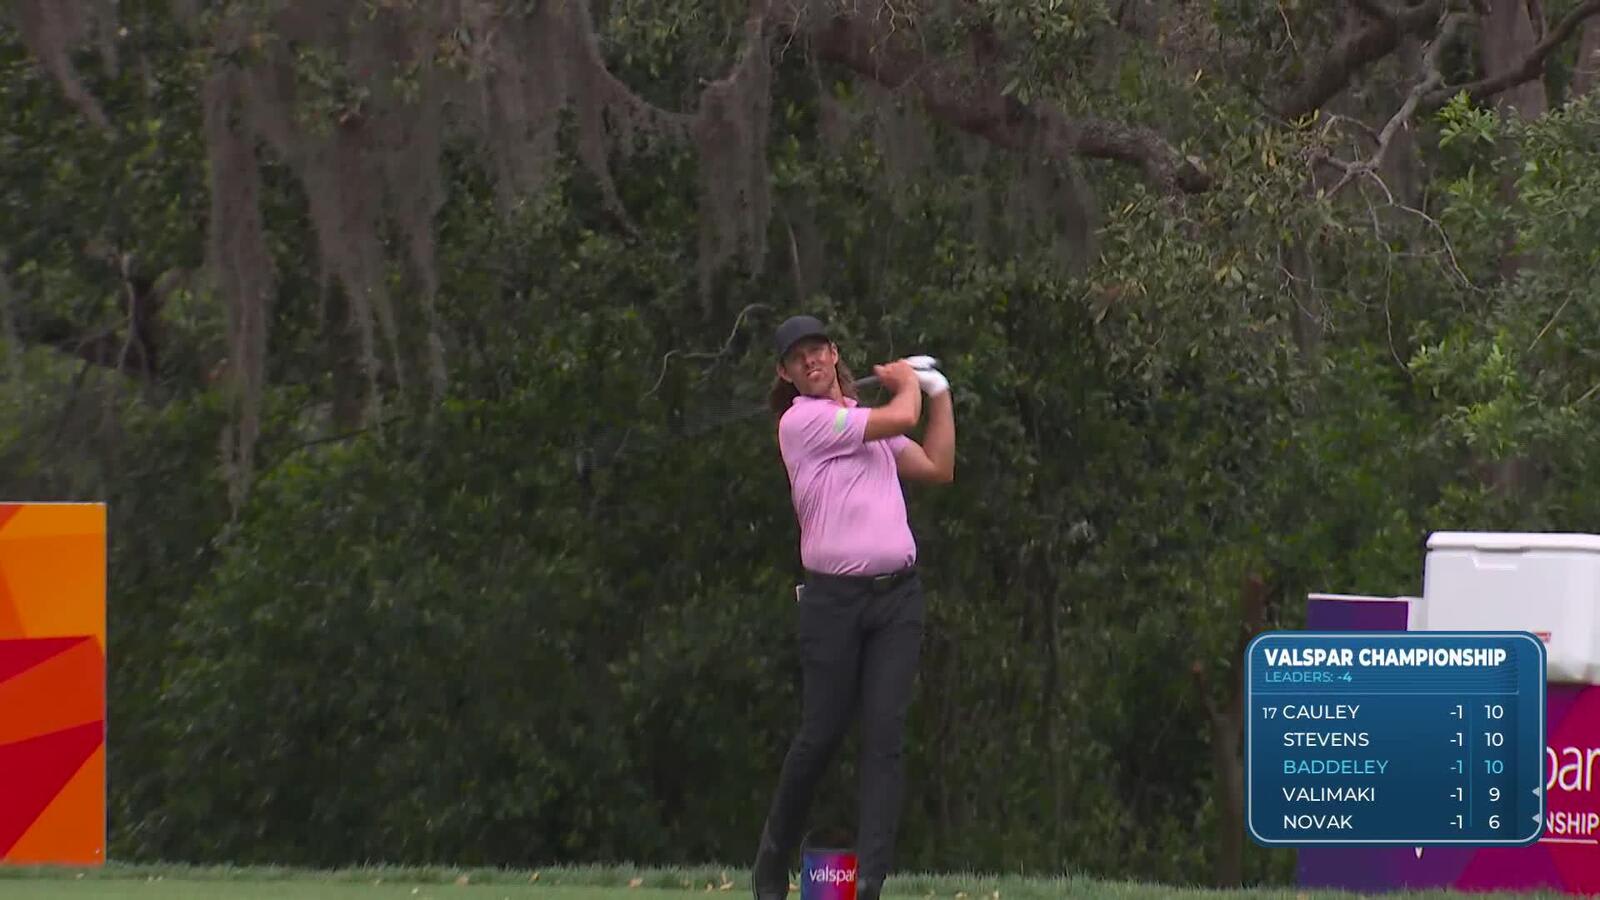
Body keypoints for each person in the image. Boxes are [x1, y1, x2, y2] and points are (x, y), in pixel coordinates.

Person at [752, 314, 956, 900]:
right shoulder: (803, 421)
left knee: (885, 735)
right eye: (799, 359)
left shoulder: (866, 427)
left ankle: (868, 882)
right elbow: (900, 414)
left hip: (897, 599)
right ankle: (772, 859)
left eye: (819, 351)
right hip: (832, 604)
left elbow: (938, 467)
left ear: (835, 353)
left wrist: (938, 396)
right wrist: (909, 385)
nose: (812, 362)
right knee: (820, 734)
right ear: (786, 374)